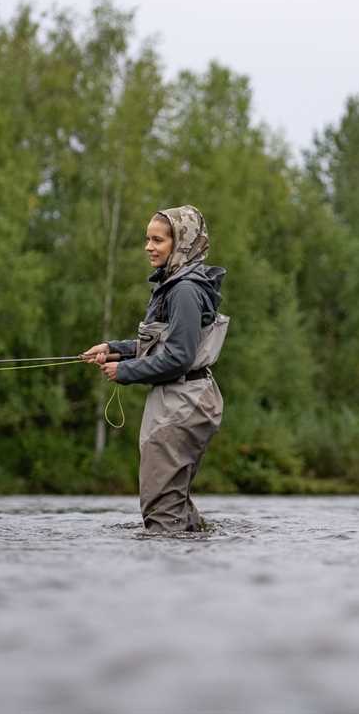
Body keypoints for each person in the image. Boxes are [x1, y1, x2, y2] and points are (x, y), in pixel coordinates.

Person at [82, 205, 228, 532]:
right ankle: (193, 556)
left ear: (182, 243)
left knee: (161, 507)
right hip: (181, 398)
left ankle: (168, 576)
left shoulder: (185, 290)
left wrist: (125, 372)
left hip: (182, 402)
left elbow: (178, 356)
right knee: (172, 502)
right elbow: (165, 344)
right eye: (148, 239)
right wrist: (113, 350)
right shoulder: (177, 283)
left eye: (158, 240)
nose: (149, 247)